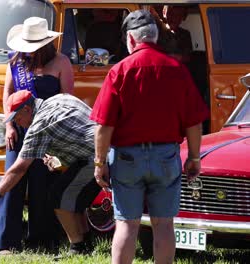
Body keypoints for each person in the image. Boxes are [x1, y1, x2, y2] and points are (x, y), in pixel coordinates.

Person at [90, 10, 209, 264]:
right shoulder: (177, 69)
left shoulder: (120, 71)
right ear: (155, 38)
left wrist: (99, 163)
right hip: (166, 156)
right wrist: (195, 158)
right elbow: (194, 122)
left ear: (131, 40)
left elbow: (104, 126)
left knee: (126, 225)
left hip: (127, 158)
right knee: (164, 225)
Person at [0, 17, 74, 254]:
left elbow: (68, 100)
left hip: (47, 133)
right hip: (19, 129)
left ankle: (42, 241)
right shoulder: (15, 61)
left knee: (42, 185)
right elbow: (7, 93)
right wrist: (9, 127)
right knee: (13, 181)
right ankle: (4, 242)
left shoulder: (61, 62)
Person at [0, 90, 100, 255]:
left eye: (18, 118)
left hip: (98, 158)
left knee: (59, 197)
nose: (18, 123)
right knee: (73, 197)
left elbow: (19, 169)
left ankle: (78, 248)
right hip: (106, 150)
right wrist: (59, 162)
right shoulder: (59, 98)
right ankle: (85, 243)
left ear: (27, 109)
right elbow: (78, 133)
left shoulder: (39, 125)